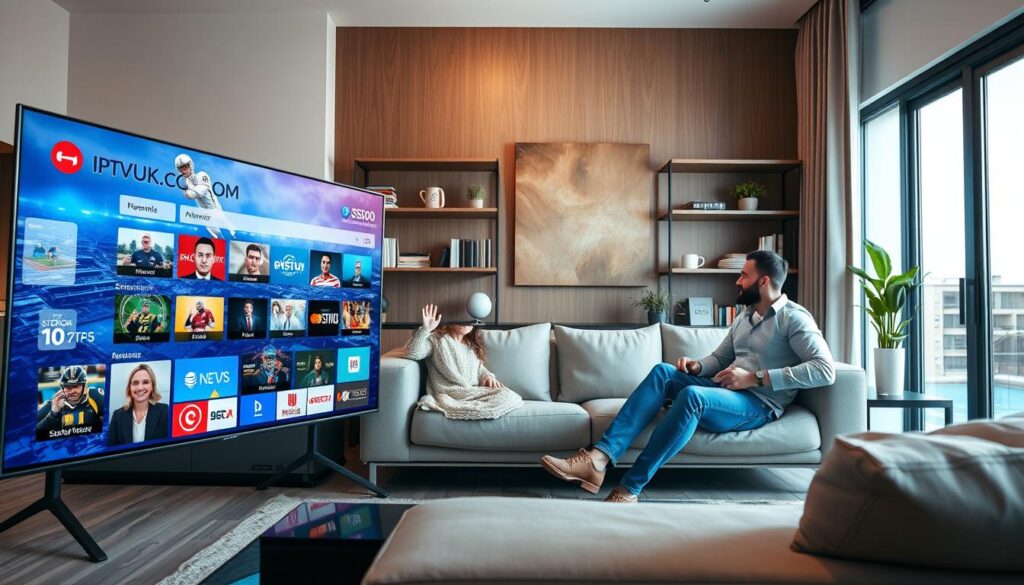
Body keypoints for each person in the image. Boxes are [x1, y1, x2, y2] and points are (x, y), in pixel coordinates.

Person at [541, 251, 836, 503]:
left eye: (743, 275)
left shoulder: (794, 318)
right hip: (726, 391)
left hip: (758, 405)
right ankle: (598, 459)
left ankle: (630, 487)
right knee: (664, 372)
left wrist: (757, 378)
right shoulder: (745, 317)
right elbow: (719, 359)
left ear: (764, 281)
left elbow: (824, 369)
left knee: (693, 397)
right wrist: (697, 366)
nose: (737, 281)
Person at [404, 304, 522, 420]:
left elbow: (479, 369)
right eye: (462, 317)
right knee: (505, 397)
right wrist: (425, 329)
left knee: (509, 395)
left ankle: (476, 409)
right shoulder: (437, 340)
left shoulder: (471, 345)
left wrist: (487, 376)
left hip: (472, 392)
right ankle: (471, 410)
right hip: (450, 394)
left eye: (469, 318)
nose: (466, 322)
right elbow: (412, 353)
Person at [175, 153, 235, 239]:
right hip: (205, 215)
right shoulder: (187, 182)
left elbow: (199, 192)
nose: (185, 169)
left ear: (190, 165)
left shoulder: (202, 175)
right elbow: (189, 196)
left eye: (186, 166)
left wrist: (187, 189)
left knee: (229, 234)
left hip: (215, 210)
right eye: (182, 167)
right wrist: (185, 190)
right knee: (218, 237)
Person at [107, 364, 169, 446]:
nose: (140, 388)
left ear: (152, 386)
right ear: (129, 388)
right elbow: (111, 450)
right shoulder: (117, 415)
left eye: (145, 382)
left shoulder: (165, 411)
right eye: (135, 383)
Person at [36, 366, 104, 437]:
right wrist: (53, 414)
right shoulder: (55, 402)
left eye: (75, 386)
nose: (71, 391)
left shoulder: (95, 396)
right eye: (67, 387)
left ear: (85, 387)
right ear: (62, 388)